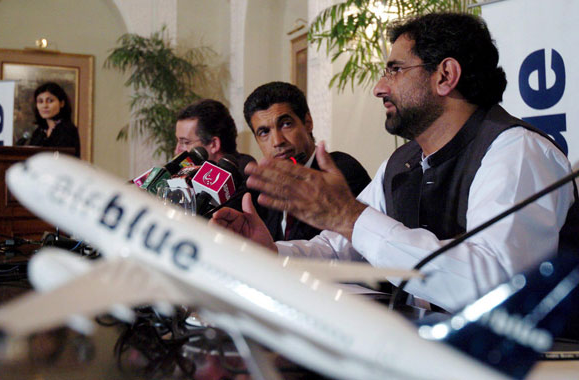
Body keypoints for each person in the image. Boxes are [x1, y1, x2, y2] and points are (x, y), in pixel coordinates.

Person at [211, 13, 576, 312]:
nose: (379, 87)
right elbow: (340, 252)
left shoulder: (516, 153)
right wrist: (271, 253)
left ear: (445, 76)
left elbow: (493, 289)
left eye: (395, 70)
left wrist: (348, 216)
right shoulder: (403, 163)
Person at [243, 81, 371, 241]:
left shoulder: (341, 171)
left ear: (308, 122)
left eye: (285, 124)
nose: (277, 141)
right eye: (264, 132)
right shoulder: (267, 190)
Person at [174, 99, 255, 177]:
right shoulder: (188, 175)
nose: (177, 151)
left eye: (186, 142)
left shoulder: (245, 175)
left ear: (214, 144)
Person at [28, 82, 80, 157]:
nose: (44, 106)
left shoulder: (68, 130)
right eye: (40, 101)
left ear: (62, 103)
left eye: (50, 101)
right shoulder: (38, 132)